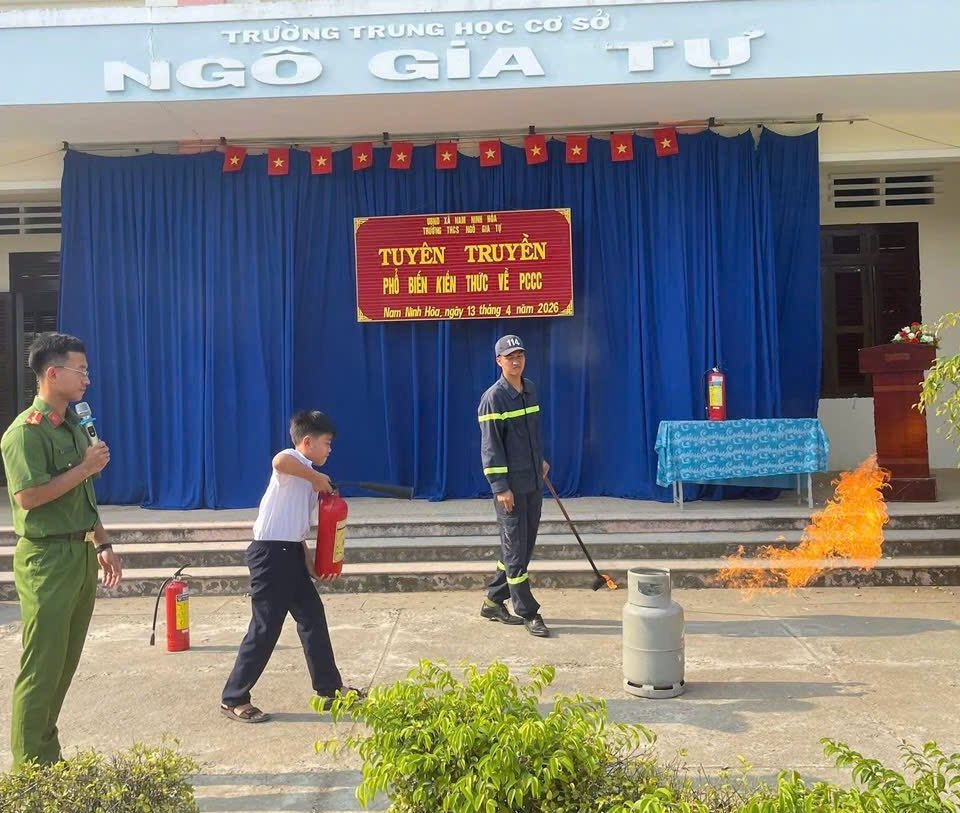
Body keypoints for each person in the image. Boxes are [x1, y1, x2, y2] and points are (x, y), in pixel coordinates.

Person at [0, 332, 122, 767]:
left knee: (64, 663)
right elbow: (29, 497)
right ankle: (31, 770)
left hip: (80, 553)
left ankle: (47, 756)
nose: (87, 378)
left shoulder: (73, 426)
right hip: (46, 559)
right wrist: (85, 467)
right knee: (42, 666)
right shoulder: (25, 433)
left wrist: (102, 540)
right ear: (53, 373)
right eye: (80, 370)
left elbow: (80, 495)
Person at [220, 410, 364, 723]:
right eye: (326, 443)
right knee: (265, 627)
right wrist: (316, 479)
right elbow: (279, 462)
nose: (329, 450)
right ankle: (234, 698)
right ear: (307, 442)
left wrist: (309, 562)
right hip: (270, 556)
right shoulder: (292, 460)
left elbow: (297, 528)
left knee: (313, 618)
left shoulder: (308, 476)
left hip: (291, 553)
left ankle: (330, 689)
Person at [477, 335, 551, 638]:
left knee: (522, 546)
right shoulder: (493, 398)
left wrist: (539, 461)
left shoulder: (529, 389)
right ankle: (528, 611)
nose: (516, 361)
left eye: (519, 355)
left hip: (532, 481)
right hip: (511, 489)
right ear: (499, 361)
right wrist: (500, 487)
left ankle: (493, 602)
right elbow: (491, 448)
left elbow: (530, 437)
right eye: (509, 357)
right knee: (516, 550)